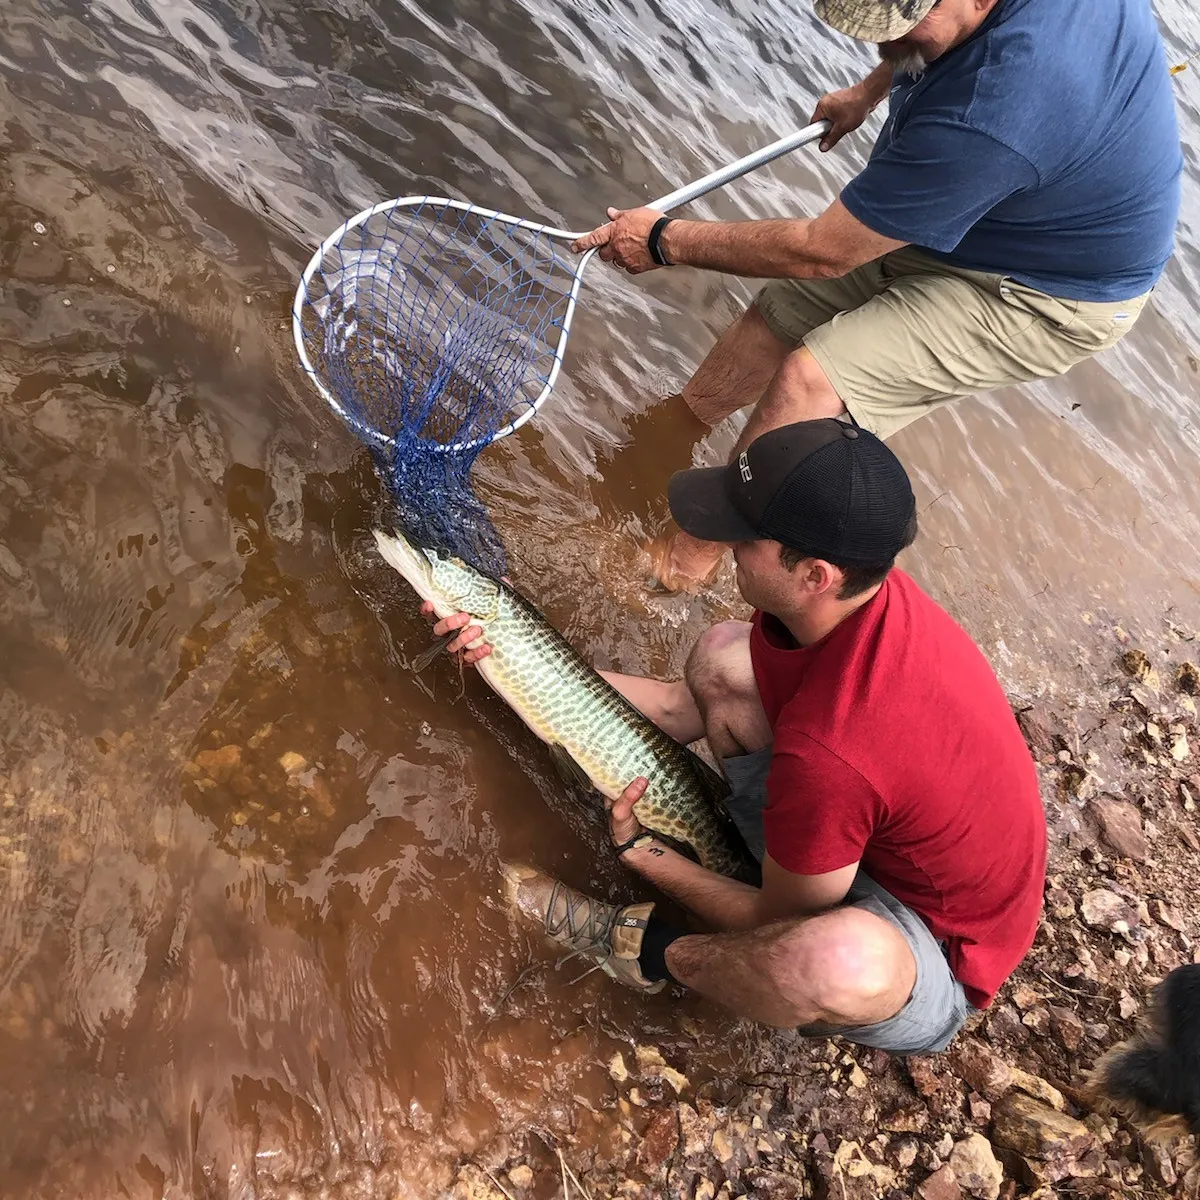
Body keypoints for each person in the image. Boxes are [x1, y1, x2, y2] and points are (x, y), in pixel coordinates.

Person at [431, 418, 1048, 1054]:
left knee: (829, 961)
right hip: (863, 830)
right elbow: (675, 708)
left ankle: (643, 950)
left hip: (933, 951)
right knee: (724, 656)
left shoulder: (836, 749)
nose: (723, 544)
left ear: (814, 574)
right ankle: (770, 866)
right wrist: (514, 654)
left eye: (745, 535)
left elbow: (781, 919)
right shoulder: (844, 601)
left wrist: (648, 857)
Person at [572, 0, 1183, 591]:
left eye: (902, 30)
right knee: (780, 314)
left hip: (1048, 288)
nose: (884, 46)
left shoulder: (1003, 102)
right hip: (994, 206)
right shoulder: (961, 35)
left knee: (808, 380)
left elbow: (821, 251)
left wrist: (662, 239)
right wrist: (870, 89)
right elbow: (920, 30)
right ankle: (672, 431)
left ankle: (685, 563)